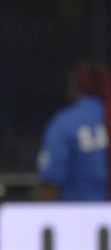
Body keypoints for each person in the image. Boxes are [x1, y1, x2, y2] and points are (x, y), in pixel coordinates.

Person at [37, 61, 110, 201]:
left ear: (74, 86)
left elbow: (49, 184)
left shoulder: (65, 123)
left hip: (76, 217)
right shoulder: (104, 116)